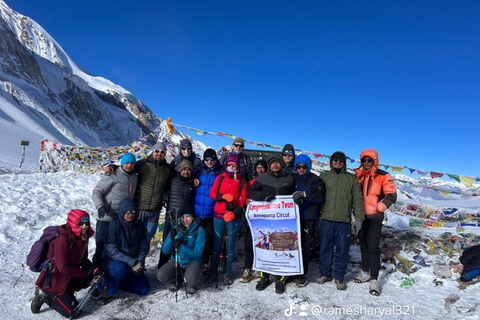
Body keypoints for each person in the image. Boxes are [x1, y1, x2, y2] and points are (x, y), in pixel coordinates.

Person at [31, 209, 95, 318]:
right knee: (73, 313)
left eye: (87, 223)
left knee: (93, 277)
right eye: (81, 223)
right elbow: (63, 268)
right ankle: (44, 295)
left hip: (68, 277)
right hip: (54, 282)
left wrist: (94, 270)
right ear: (74, 223)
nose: (84, 226)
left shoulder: (83, 237)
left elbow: (83, 260)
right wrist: (85, 274)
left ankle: (67, 293)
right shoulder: (63, 240)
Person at [316, 151, 364, 290]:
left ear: (344, 163)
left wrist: (359, 218)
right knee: (325, 248)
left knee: (342, 249)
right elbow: (318, 196)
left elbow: (357, 200)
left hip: (344, 221)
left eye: (341, 160)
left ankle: (339, 277)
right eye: (335, 160)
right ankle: (324, 273)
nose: (338, 162)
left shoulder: (351, 179)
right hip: (326, 219)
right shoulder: (324, 177)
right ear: (331, 161)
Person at [247, 156, 295, 294]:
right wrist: (263, 196)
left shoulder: (289, 179)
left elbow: (294, 194)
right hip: (267, 219)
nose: (275, 165)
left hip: (283, 219)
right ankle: (265, 277)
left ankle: (280, 279)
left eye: (277, 163)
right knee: (267, 248)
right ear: (269, 165)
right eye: (272, 163)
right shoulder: (263, 178)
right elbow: (251, 192)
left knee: (282, 248)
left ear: (281, 165)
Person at [353, 149, 397, 296]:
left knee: (373, 247)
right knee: (363, 245)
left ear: (375, 161)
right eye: (363, 160)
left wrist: (380, 207)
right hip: (361, 217)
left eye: (369, 160)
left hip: (375, 218)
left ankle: (373, 279)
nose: (366, 163)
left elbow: (392, 195)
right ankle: (365, 272)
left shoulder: (383, 176)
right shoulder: (359, 175)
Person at [92, 153, 138, 268]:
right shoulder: (112, 174)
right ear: (122, 163)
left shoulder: (135, 177)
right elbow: (97, 192)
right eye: (127, 163)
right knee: (101, 245)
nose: (129, 165)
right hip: (106, 216)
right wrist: (100, 206)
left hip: (122, 219)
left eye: (132, 163)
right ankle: (95, 271)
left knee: (116, 247)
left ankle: (111, 272)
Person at [209, 154, 248, 285]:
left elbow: (242, 200)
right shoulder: (220, 178)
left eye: (233, 165)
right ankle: (213, 272)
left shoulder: (241, 180)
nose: (231, 167)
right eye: (229, 165)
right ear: (226, 165)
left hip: (233, 217)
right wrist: (222, 196)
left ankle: (227, 273)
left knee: (230, 246)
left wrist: (234, 212)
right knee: (217, 244)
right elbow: (212, 193)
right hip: (218, 215)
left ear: (237, 166)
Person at [101, 198, 149, 302]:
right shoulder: (114, 226)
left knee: (144, 289)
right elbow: (111, 251)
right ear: (122, 212)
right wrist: (133, 262)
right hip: (113, 262)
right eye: (127, 212)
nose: (130, 214)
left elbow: (142, 246)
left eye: (133, 211)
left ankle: (118, 283)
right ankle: (108, 292)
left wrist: (140, 262)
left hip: (131, 263)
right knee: (119, 268)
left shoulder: (139, 225)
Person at [134, 141, 174, 254]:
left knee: (147, 238)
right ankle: (132, 264)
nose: (159, 154)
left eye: (162, 152)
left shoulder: (168, 169)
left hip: (155, 211)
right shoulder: (142, 164)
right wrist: (112, 167)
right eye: (157, 151)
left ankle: (141, 265)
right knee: (136, 237)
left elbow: (179, 178)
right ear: (153, 151)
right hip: (139, 207)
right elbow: (126, 168)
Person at [292, 154, 325, 287]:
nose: (301, 169)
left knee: (305, 246)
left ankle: (302, 274)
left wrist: (305, 195)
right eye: (298, 166)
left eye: (304, 167)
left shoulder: (315, 180)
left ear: (308, 167)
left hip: (308, 217)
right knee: (292, 245)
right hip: (292, 217)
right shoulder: (292, 178)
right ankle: (292, 271)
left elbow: (319, 197)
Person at [158, 159, 196, 269]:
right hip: (172, 217)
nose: (186, 171)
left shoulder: (193, 183)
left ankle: (180, 267)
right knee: (167, 242)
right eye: (184, 169)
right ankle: (162, 267)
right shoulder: (172, 180)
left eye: (189, 169)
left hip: (185, 220)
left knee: (182, 243)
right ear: (179, 170)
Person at [157, 210, 206, 294]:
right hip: (178, 260)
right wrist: (170, 238)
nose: (185, 220)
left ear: (193, 218)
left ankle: (191, 285)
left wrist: (181, 246)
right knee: (161, 275)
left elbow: (197, 254)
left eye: (188, 217)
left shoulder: (199, 230)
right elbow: (165, 250)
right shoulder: (176, 228)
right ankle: (176, 280)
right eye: (182, 217)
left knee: (191, 278)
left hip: (193, 261)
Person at [194, 148, 222, 272]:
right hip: (198, 211)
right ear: (203, 160)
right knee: (197, 237)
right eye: (207, 159)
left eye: (212, 159)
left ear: (216, 159)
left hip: (212, 212)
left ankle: (206, 262)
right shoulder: (198, 170)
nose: (209, 162)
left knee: (209, 238)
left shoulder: (220, 172)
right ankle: (195, 262)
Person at [240, 158, 267, 283]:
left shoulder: (269, 183)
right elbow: (244, 196)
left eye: (262, 167)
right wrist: (245, 201)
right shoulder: (251, 182)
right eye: (258, 167)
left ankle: (258, 268)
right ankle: (247, 268)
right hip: (252, 218)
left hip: (265, 219)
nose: (260, 170)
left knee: (261, 243)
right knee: (249, 243)